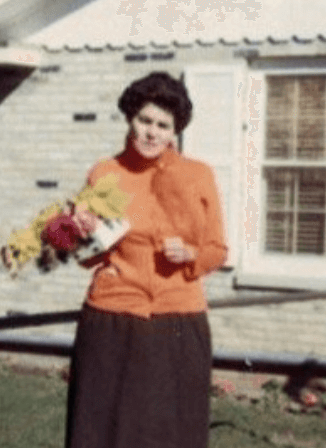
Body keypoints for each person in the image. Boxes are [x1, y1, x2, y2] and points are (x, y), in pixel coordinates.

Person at [59, 71, 229, 448]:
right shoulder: (105, 173)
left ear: (175, 131)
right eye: (145, 121)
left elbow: (218, 249)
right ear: (131, 119)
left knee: (171, 435)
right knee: (102, 432)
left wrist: (191, 255)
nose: (152, 133)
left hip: (178, 323)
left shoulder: (198, 175)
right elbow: (85, 256)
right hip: (112, 319)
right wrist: (81, 232)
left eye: (163, 125)